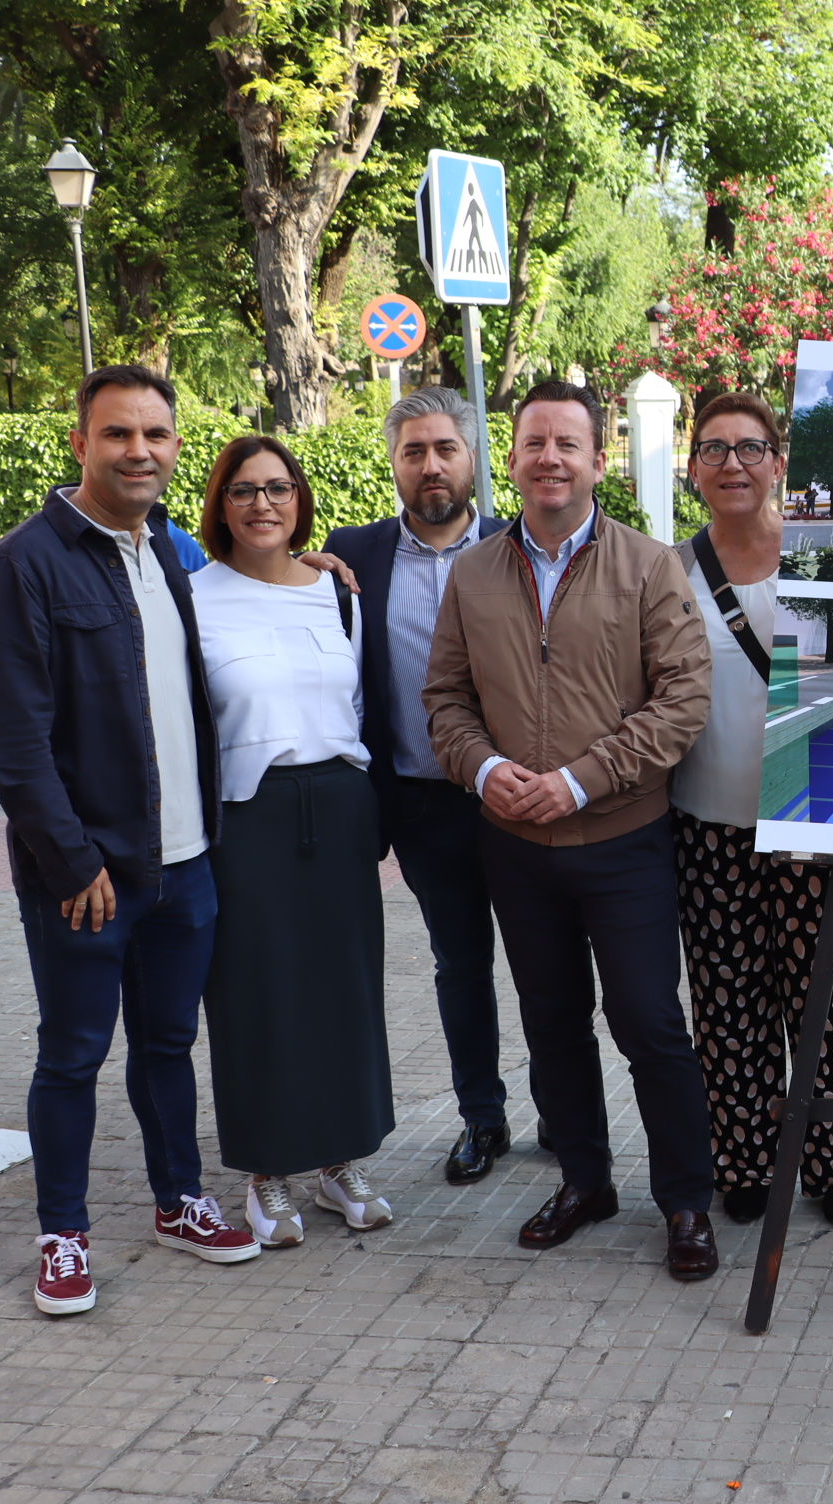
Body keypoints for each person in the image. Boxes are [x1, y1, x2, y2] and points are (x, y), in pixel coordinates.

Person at [0, 364, 260, 1316]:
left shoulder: (169, 553)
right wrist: (72, 858)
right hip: (88, 877)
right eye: (118, 434)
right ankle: (63, 1234)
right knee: (73, 1055)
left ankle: (179, 1201)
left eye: (157, 436)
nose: (140, 451)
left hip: (186, 866)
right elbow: (14, 744)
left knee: (169, 1045)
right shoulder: (20, 568)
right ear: (79, 443)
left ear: (177, 447)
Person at [423, 380, 719, 1278]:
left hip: (623, 842)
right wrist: (484, 771)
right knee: (551, 1023)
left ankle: (685, 1202)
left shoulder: (649, 565)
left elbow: (684, 701)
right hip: (514, 846)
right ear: (509, 459)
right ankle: (585, 1181)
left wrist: (580, 783)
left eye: (568, 443)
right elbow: (445, 699)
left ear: (600, 459)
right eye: (533, 442)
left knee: (648, 1023)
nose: (549, 457)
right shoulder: (472, 573)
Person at [670, 393, 833, 1227]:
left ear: (779, 463)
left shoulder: (829, 560)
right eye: (715, 449)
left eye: (750, 448)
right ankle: (747, 1163)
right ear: (693, 469)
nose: (732, 463)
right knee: (728, 1005)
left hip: (824, 823)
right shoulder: (671, 568)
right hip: (708, 820)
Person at [187, 436, 395, 1247]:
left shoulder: (338, 593)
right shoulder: (191, 597)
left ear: (300, 500)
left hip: (341, 806)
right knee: (256, 993)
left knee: (346, 990)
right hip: (249, 815)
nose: (262, 504)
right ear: (222, 505)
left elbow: (366, 705)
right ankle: (267, 1172)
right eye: (244, 490)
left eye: (278, 488)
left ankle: (338, 1158)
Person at [323, 390, 515, 1184]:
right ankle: (484, 1117)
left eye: (445, 449)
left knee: (550, 969)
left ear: (474, 460)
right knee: (460, 964)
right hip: (422, 802)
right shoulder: (351, 557)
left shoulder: (519, 545)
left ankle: (576, 1127)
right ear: (395, 465)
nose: (430, 466)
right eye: (413, 452)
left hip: (524, 798)